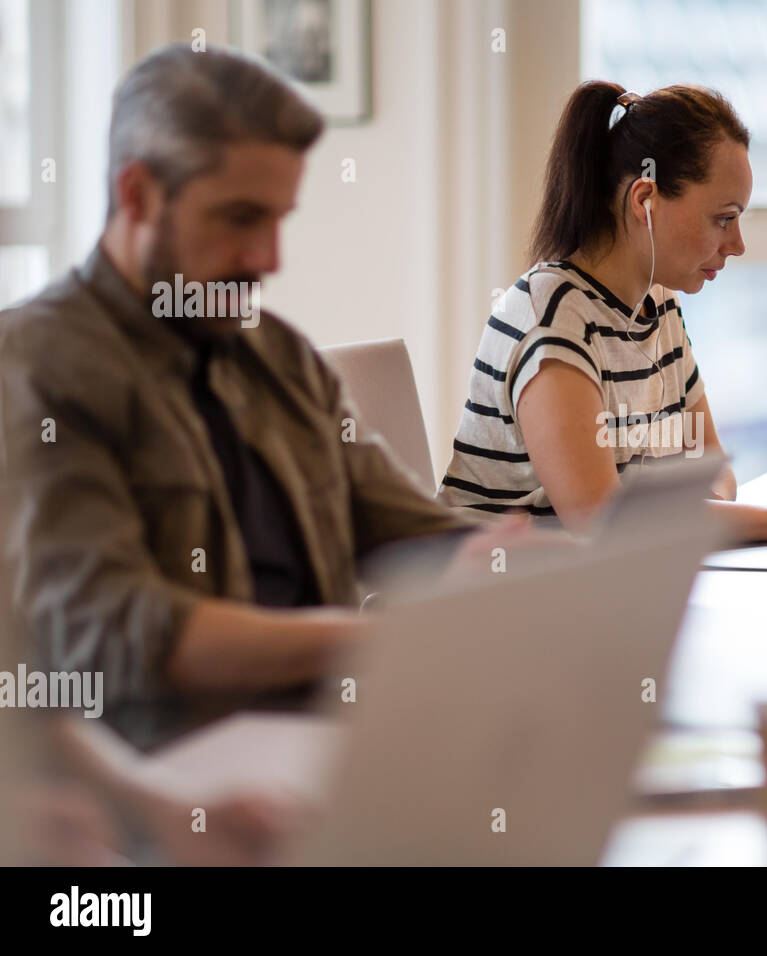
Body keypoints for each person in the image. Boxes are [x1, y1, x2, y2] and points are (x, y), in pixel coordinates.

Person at [0, 44, 525, 750]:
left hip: (328, 746)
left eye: (279, 218)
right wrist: (373, 638)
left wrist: (520, 564)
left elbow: (407, 525)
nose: (269, 259)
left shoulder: (274, 353)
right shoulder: (38, 365)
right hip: (167, 784)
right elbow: (121, 629)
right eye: (241, 218)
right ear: (137, 195)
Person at [436, 81, 767, 538]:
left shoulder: (657, 305)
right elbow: (601, 520)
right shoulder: (552, 317)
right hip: (499, 597)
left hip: (597, 590)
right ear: (645, 202)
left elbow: (710, 473)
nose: (737, 244)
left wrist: (672, 516)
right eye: (723, 218)